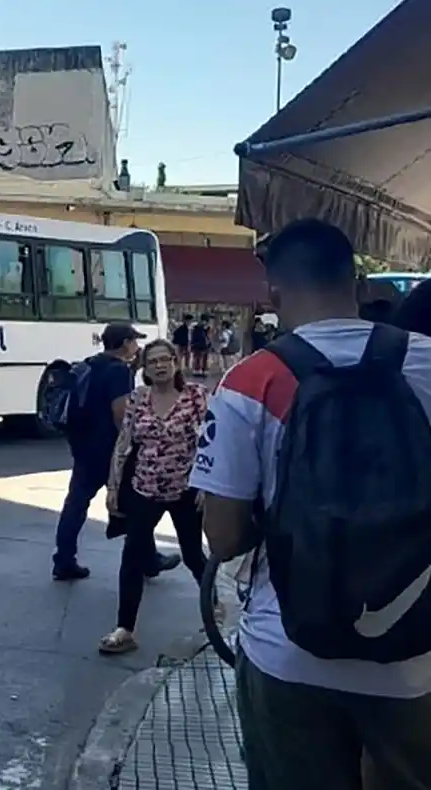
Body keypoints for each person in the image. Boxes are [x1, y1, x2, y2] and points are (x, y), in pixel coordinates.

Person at [191, 218, 431, 789]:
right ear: (356, 279)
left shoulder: (251, 380)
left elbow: (222, 537)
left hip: (287, 650)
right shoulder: (426, 361)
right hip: (416, 653)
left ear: (274, 292)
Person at [99, 338, 211, 654]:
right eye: (153, 362)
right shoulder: (137, 399)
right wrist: (112, 486)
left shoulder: (196, 397)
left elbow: (212, 442)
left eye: (165, 360)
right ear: (144, 369)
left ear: (176, 363)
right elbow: (124, 443)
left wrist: (207, 484)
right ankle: (125, 628)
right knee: (132, 556)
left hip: (186, 489)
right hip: (144, 487)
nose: (160, 366)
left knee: (193, 555)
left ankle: (215, 614)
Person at [52, 322, 180, 581]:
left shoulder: (90, 364)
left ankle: (64, 559)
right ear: (125, 344)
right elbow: (120, 413)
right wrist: (133, 445)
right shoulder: (118, 372)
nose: (136, 346)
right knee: (137, 505)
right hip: (108, 448)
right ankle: (148, 560)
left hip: (84, 446)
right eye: (134, 341)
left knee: (76, 503)